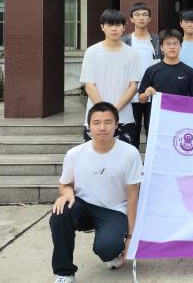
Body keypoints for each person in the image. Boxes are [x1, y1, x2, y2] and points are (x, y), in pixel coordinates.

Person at [50, 102, 143, 283]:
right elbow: (64, 185)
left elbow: (133, 196)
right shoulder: (74, 154)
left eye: (108, 122)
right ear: (89, 126)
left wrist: (131, 237)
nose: (102, 127)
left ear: (116, 125)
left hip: (115, 210)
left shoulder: (130, 153)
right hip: (83, 206)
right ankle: (64, 272)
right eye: (96, 123)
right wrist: (67, 193)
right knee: (59, 214)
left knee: (107, 248)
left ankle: (112, 251)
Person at [79, 9, 142, 149]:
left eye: (118, 25)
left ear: (124, 27)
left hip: (124, 118)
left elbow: (133, 86)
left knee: (124, 157)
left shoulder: (132, 53)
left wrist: (114, 110)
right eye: (109, 24)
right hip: (96, 119)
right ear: (102, 27)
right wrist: (105, 112)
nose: (114, 28)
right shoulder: (92, 52)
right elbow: (89, 85)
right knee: (94, 157)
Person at [121, 2, 162, 141]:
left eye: (145, 15)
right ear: (131, 19)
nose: (141, 18)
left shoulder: (157, 40)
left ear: (150, 19)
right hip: (130, 94)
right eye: (137, 15)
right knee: (132, 135)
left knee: (153, 134)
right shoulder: (124, 41)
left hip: (153, 93)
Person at [138, 29, 193, 106]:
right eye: (168, 44)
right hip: (158, 113)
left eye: (175, 44)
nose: (172, 47)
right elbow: (141, 100)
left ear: (181, 46)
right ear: (161, 47)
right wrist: (146, 94)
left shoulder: (190, 72)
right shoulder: (151, 70)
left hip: (180, 112)